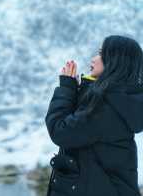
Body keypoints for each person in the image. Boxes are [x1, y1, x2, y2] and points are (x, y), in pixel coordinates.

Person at [45, 34, 143, 196]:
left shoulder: (106, 107)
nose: (93, 59)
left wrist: (66, 89)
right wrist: (84, 90)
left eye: (101, 53)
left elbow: (61, 131)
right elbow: (82, 128)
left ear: (115, 61)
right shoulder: (119, 100)